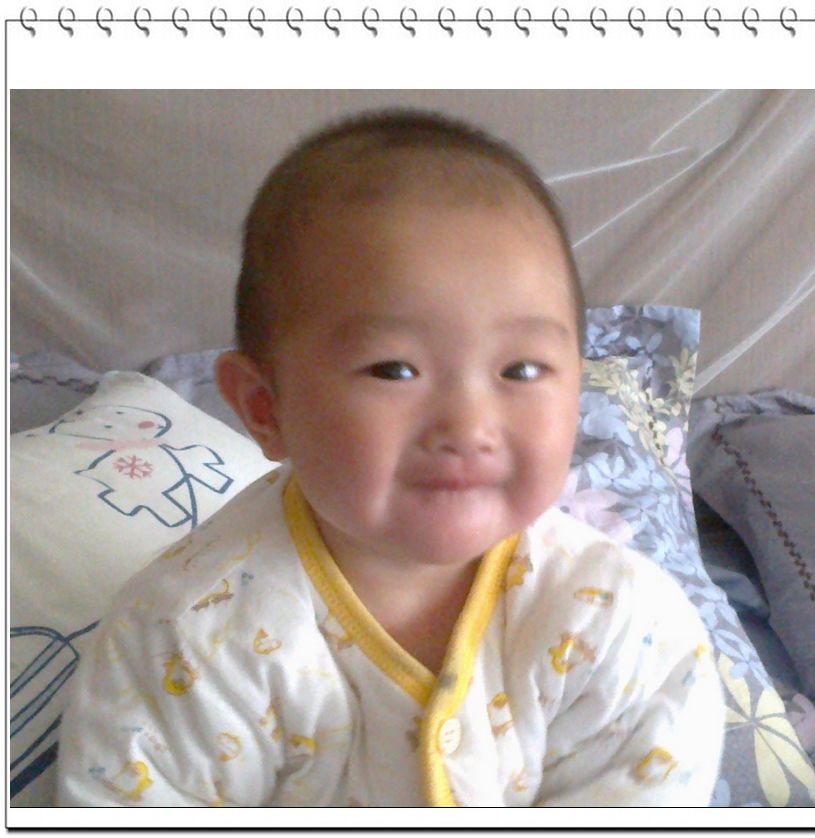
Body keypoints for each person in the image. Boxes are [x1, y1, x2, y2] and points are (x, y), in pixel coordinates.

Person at [56, 108, 724, 807]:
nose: (468, 425)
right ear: (263, 407)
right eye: (393, 370)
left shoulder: (623, 626)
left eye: (521, 370)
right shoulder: (185, 638)